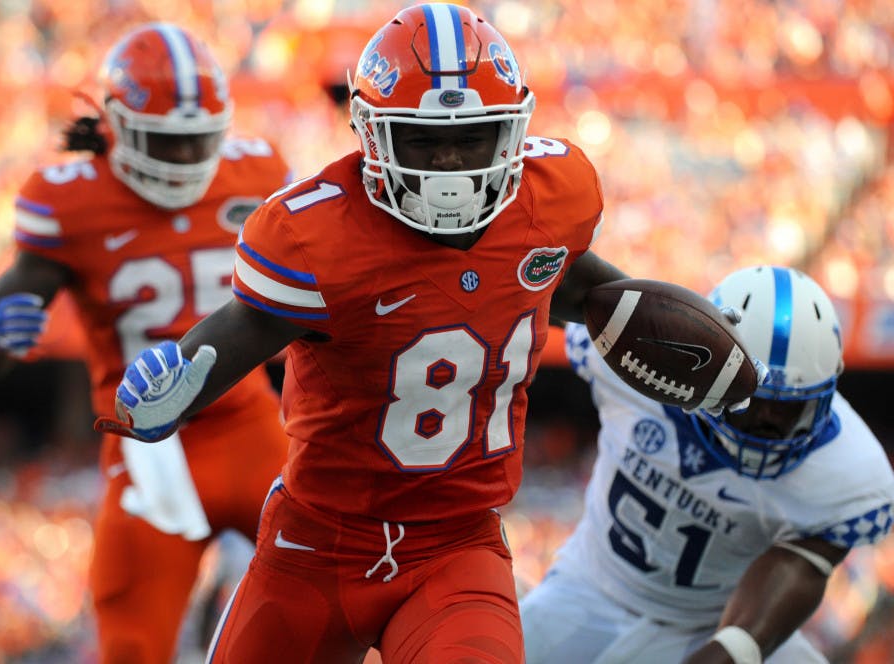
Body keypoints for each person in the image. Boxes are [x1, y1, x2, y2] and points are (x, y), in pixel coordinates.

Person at [95, 5, 747, 662]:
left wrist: (696, 361)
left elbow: (586, 292)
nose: (450, 164)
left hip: (456, 548)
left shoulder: (548, 203)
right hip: (316, 547)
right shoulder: (315, 238)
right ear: (372, 136)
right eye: (422, 140)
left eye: (474, 138)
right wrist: (167, 386)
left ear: (513, 131)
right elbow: (241, 330)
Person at [0, 22, 292, 664]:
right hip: (147, 449)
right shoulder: (69, 200)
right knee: (132, 646)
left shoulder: (258, 170)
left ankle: (229, 600)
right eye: (167, 144)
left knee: (345, 597)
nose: (186, 160)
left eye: (200, 141)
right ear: (115, 126)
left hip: (251, 427)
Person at [520, 265, 894, 664]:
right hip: (590, 589)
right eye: (751, 399)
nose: (767, 421)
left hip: (713, 621)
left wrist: (733, 650)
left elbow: (800, 565)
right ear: (709, 369)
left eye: (791, 407)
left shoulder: (849, 470)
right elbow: (542, 291)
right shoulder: (648, 363)